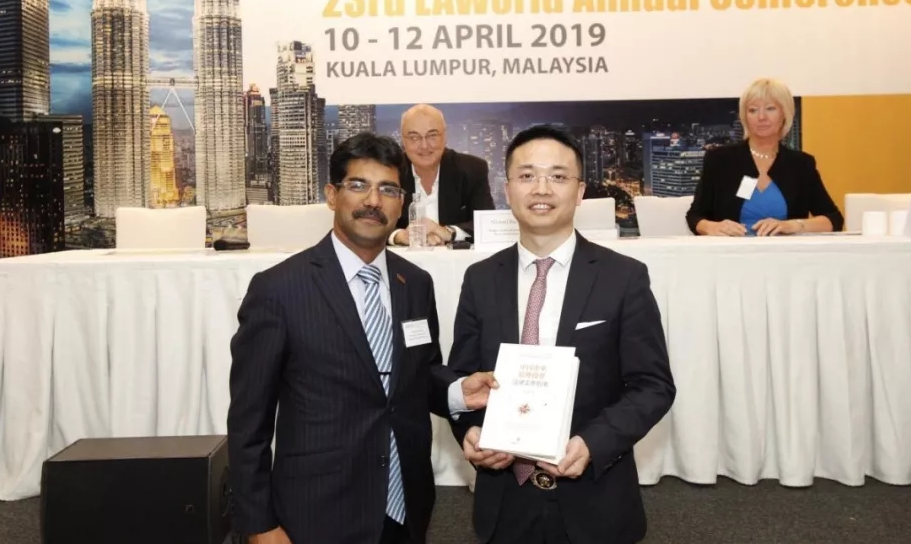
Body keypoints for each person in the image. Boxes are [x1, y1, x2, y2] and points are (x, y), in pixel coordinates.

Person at [227, 132, 498, 544]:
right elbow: (250, 421)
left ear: (402, 204)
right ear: (332, 195)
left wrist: (459, 391)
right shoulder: (278, 289)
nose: (374, 200)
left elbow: (418, 374)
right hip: (317, 510)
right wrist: (259, 524)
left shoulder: (415, 283)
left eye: (388, 189)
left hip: (406, 503)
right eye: (358, 185)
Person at [447, 124, 676, 544]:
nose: (542, 189)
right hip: (504, 500)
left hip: (595, 499)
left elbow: (653, 386)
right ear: (507, 189)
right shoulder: (480, 279)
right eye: (527, 175)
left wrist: (594, 443)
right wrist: (470, 432)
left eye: (557, 176)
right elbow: (462, 381)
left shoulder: (623, 278)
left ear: (580, 190)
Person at [685, 78, 844, 237]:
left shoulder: (801, 164)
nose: (761, 117)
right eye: (753, 110)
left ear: (784, 113)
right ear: (745, 116)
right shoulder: (720, 159)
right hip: (732, 250)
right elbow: (695, 216)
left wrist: (793, 225)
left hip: (786, 251)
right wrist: (712, 227)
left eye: (770, 109)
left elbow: (833, 219)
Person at [389, 104, 494, 246]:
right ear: (403, 140)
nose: (424, 146)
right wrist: (398, 236)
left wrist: (448, 232)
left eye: (432, 136)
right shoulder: (391, 172)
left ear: (445, 136)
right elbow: (372, 222)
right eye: (414, 137)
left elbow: (487, 223)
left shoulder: (472, 169)